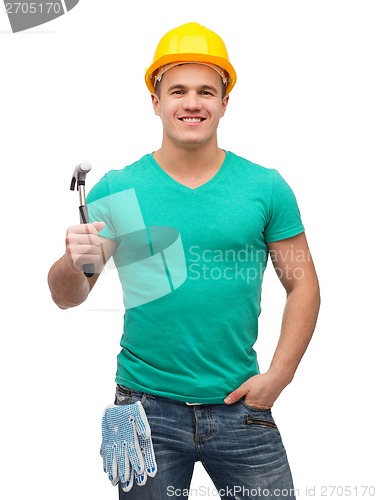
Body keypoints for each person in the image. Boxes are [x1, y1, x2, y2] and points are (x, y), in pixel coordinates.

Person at [48, 22, 320, 500]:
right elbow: (67, 297)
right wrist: (74, 262)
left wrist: (279, 375)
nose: (192, 103)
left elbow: (303, 285)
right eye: (178, 91)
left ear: (224, 102)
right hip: (146, 410)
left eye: (205, 91)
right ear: (156, 101)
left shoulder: (264, 187)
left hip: (242, 408)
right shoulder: (119, 188)